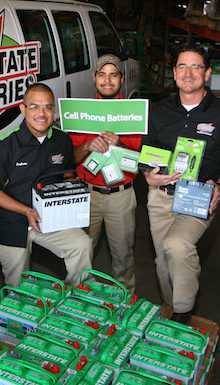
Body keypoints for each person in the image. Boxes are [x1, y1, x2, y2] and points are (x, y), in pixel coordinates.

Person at [142, 43, 220, 324]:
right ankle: (169, 306)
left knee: (177, 246)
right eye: (182, 66)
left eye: (196, 66)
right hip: (160, 195)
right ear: (173, 73)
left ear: (207, 73)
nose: (188, 73)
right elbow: (146, 154)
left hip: (198, 197)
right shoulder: (158, 111)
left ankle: (183, 314)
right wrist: (147, 175)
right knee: (163, 262)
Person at [0, 83, 93, 288]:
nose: (42, 113)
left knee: (81, 244)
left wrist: (72, 197)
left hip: (49, 218)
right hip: (11, 220)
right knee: (18, 285)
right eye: (34, 107)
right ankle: (18, 313)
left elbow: (67, 175)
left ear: (54, 110)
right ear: (23, 109)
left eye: (48, 107)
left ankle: (78, 297)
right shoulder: (4, 145)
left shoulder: (62, 140)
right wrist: (27, 211)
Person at [70, 54, 141, 293]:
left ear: (122, 79)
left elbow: (141, 162)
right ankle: (80, 301)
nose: (107, 80)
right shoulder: (81, 113)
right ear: (94, 78)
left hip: (121, 196)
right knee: (80, 253)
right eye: (102, 74)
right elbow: (71, 159)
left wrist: (120, 144)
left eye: (113, 74)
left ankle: (126, 304)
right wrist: (87, 146)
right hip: (86, 195)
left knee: (123, 256)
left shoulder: (133, 113)